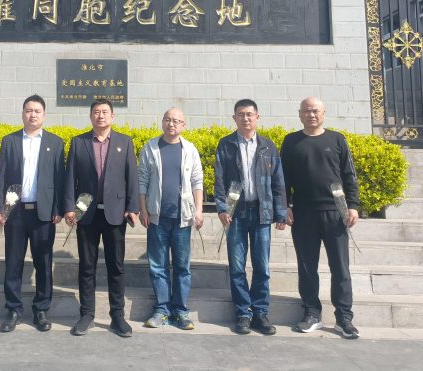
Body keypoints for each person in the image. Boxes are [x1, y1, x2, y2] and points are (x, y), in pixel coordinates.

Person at [281, 97, 360, 339]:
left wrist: (353, 206)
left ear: (324, 113)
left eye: (315, 110)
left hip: (336, 213)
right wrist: (284, 205)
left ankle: (344, 317)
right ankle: (312, 313)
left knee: (340, 267)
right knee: (307, 267)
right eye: (307, 111)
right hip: (303, 214)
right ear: (300, 114)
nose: (311, 114)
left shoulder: (337, 139)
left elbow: (349, 174)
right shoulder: (291, 141)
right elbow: (283, 178)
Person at [63, 99, 139, 338]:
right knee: (87, 266)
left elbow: (132, 177)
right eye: (96, 112)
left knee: (116, 267)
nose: (101, 116)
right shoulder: (79, 142)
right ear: (91, 116)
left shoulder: (125, 142)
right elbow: (70, 177)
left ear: (113, 116)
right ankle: (87, 314)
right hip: (86, 214)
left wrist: (132, 207)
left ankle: (118, 316)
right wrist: (69, 207)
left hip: (115, 214)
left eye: (105, 112)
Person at [214, 99, 286, 335]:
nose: (245, 118)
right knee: (237, 266)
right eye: (240, 114)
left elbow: (278, 181)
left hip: (262, 212)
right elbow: (219, 180)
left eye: (249, 114)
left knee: (262, 266)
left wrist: (280, 212)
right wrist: (222, 209)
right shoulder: (226, 144)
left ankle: (260, 313)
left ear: (257, 117)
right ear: (234, 118)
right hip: (236, 213)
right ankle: (243, 313)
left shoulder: (267, 146)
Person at [0, 95, 66, 333]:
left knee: (43, 262)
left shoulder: (55, 143)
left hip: (43, 213)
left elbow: (60, 178)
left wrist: (58, 208)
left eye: (37, 111)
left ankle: (41, 310)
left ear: (44, 115)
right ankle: (13, 309)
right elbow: (1, 176)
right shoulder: (10, 141)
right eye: (28, 110)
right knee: (13, 262)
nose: (32, 114)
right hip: (15, 212)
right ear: (23, 113)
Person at [138, 107, 204, 331]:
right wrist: (143, 210)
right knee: (158, 266)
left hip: (182, 218)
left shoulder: (190, 149)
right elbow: (142, 180)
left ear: (183, 125)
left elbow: (197, 181)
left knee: (182, 266)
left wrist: (199, 210)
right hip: (157, 217)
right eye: (167, 119)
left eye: (176, 121)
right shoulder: (151, 147)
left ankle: (181, 311)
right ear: (162, 122)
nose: (171, 124)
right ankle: (162, 310)